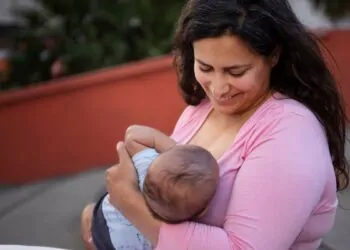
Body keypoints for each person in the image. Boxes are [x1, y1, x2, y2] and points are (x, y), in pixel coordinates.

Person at [81, 0, 350, 249]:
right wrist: (105, 212)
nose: (219, 89)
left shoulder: (290, 134)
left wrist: (130, 206)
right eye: (206, 68)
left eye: (236, 72)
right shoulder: (202, 109)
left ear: (274, 56)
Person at [90, 125, 219, 250]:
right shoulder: (184, 222)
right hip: (120, 245)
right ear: (203, 211)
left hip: (104, 216)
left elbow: (133, 135)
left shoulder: (148, 162)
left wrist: (175, 149)